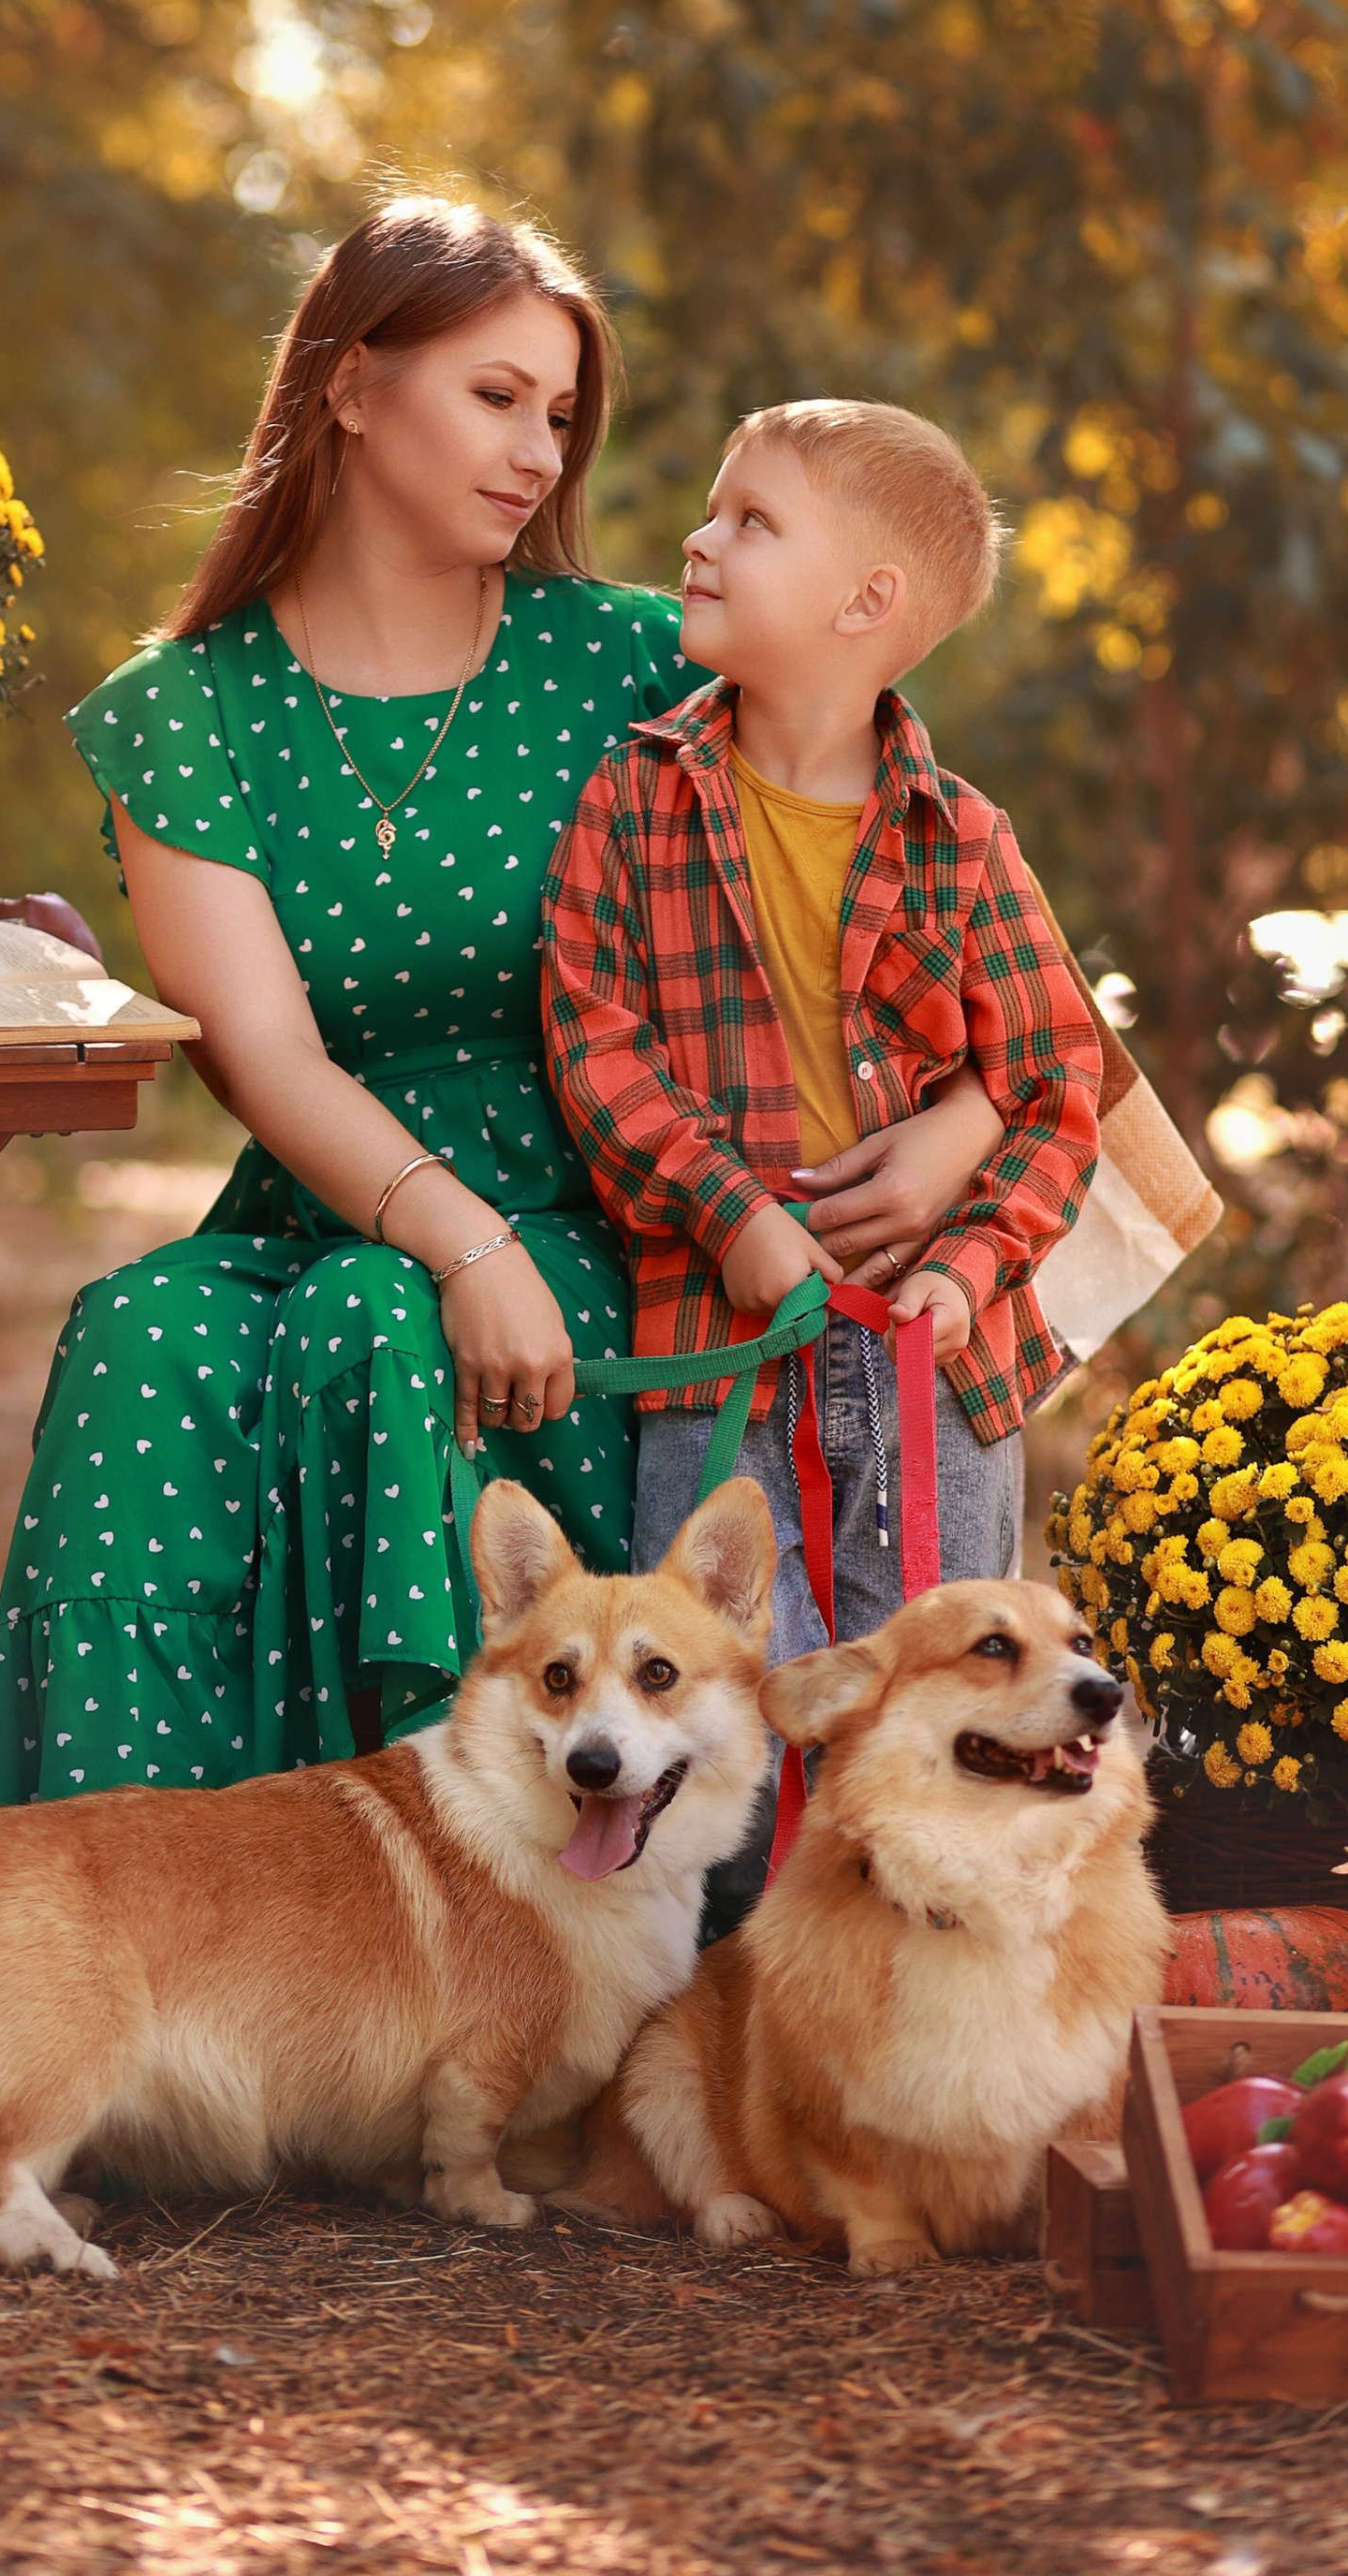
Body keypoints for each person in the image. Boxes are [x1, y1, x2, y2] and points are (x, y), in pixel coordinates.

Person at [0, 208, 1011, 1806]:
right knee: (150, 1330)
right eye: (497, 397)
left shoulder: (635, 664)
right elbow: (262, 1053)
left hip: (629, 1213)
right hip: (337, 1203)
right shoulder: (185, 717)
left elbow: (912, 886)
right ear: (350, 384)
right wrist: (461, 1242)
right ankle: (129, 1911)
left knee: (378, 1331)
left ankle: (472, 1932)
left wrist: (962, 1119)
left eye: (559, 416)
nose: (539, 451)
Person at [541, 396, 1105, 1898]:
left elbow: (1058, 1080)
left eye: (751, 521)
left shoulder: (959, 839)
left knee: (936, 1723)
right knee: (712, 1715)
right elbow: (594, 1045)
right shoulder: (637, 796)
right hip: (722, 1341)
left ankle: (921, 2036)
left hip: (933, 1364)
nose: (701, 538)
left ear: (868, 606)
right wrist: (734, 1216)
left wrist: (971, 1265)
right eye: (716, 511)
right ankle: (734, 2040)